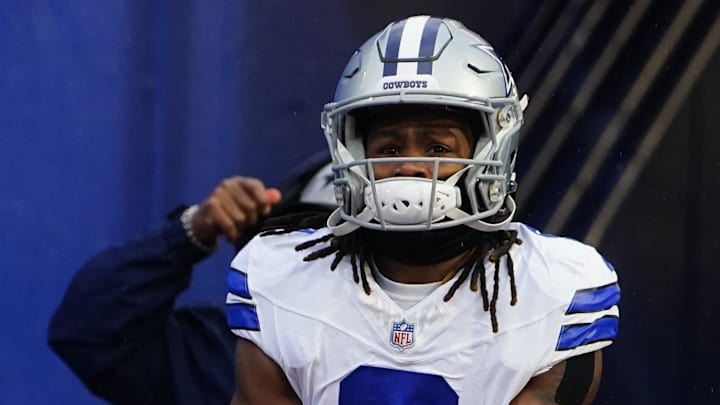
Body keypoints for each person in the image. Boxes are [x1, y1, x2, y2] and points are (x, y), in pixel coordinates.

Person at [226, 15, 620, 405]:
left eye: (437, 148)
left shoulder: (553, 289)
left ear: (493, 151)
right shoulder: (281, 280)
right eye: (389, 148)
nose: (410, 166)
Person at [48, 153, 335, 405]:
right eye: (305, 235)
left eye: (349, 243)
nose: (326, 256)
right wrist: (193, 231)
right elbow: (88, 331)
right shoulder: (224, 349)